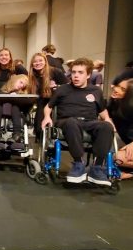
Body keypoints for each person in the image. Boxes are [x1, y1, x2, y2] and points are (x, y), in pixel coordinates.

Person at [41, 57, 116, 186]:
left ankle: (97, 168)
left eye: (80, 73)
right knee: (71, 122)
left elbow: (103, 111)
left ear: (88, 75)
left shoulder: (96, 91)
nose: (75, 76)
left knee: (106, 127)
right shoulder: (63, 89)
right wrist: (47, 117)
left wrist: (108, 120)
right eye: (74, 72)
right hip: (67, 121)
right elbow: (48, 107)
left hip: (90, 122)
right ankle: (78, 164)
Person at [27, 53, 69, 140]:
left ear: (45, 62)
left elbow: (67, 86)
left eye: (40, 60)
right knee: (39, 128)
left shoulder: (55, 71)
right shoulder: (32, 76)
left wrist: (56, 86)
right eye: (35, 62)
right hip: (42, 101)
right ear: (32, 64)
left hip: (58, 101)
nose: (38, 63)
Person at [0, 74, 29, 151]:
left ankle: (16, 135)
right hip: (1, 110)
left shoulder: (21, 94)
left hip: (16, 112)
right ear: (15, 80)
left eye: (23, 85)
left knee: (15, 107)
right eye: (21, 82)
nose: (21, 86)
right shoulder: (0, 91)